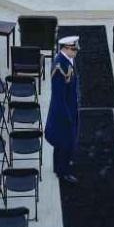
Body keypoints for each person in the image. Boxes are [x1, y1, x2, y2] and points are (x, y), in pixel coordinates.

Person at [44, 35, 81, 182]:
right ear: (65, 49)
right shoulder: (60, 67)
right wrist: (67, 116)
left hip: (71, 105)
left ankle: (59, 166)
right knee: (64, 140)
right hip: (64, 110)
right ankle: (63, 172)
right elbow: (59, 97)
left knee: (64, 140)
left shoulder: (68, 60)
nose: (76, 51)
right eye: (74, 49)